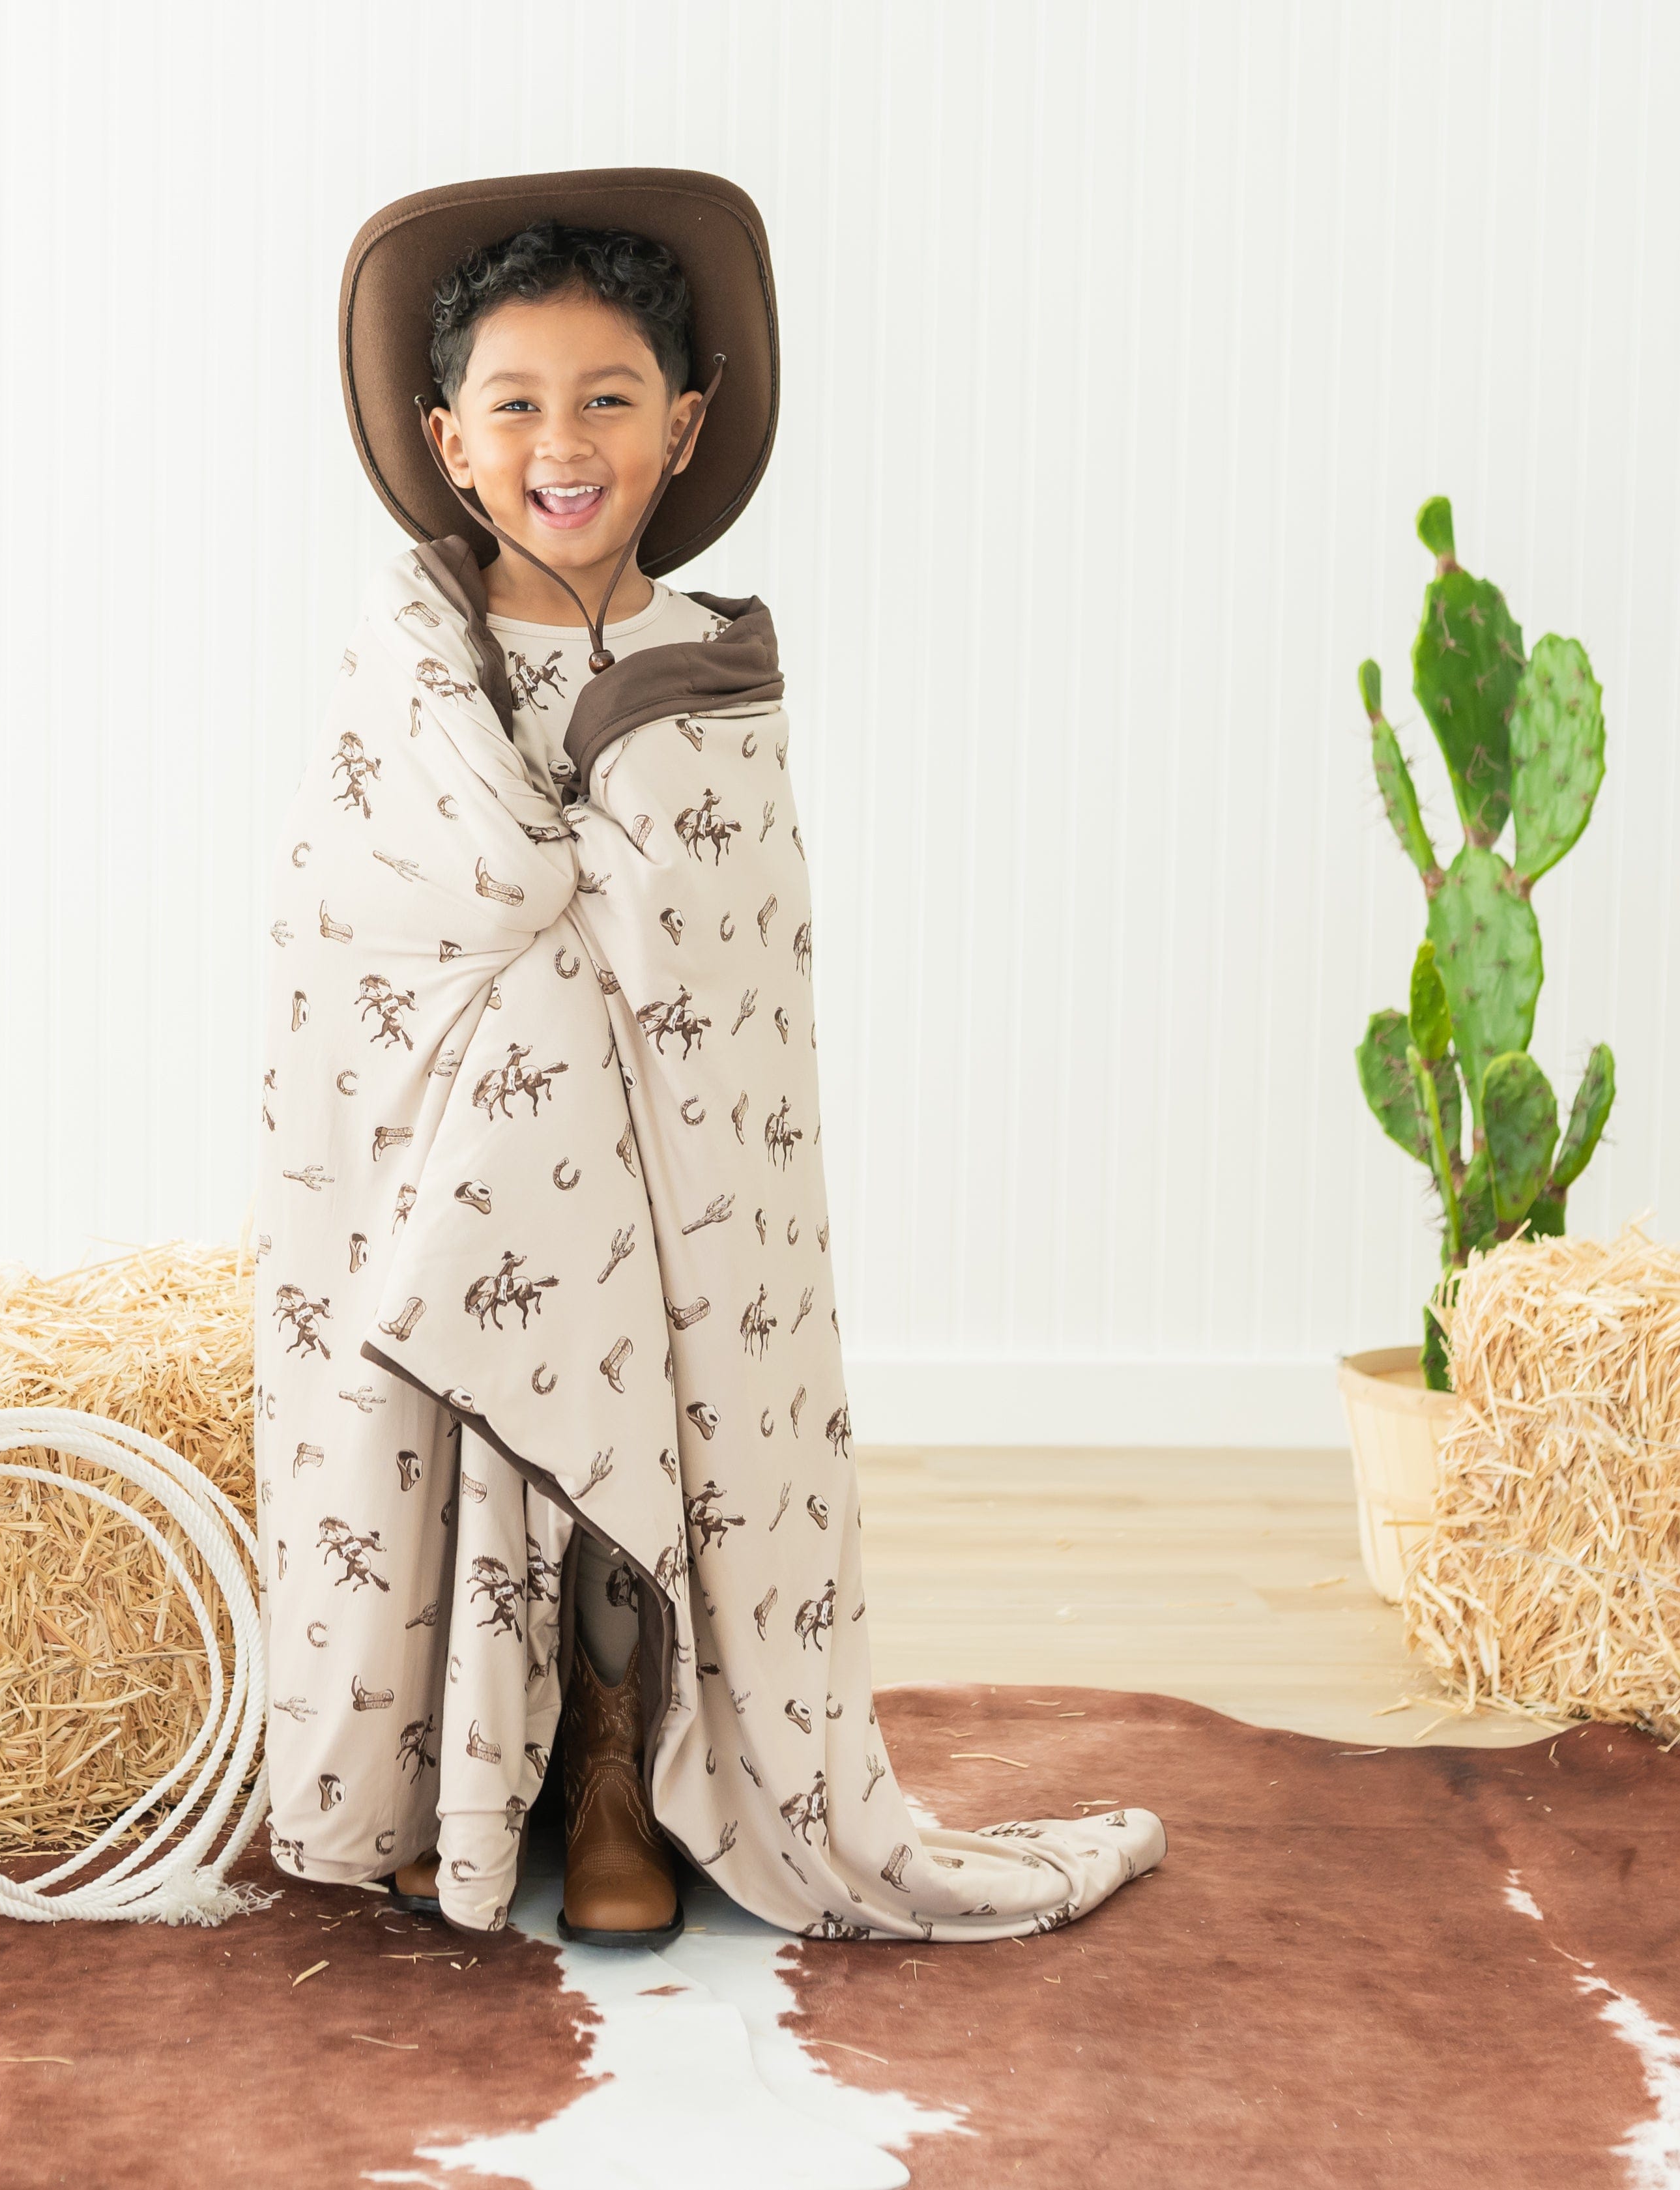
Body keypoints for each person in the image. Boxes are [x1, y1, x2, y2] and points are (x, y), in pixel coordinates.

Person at [253, 167, 1166, 1947]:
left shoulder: (713, 675)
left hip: (655, 1199)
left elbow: (721, 975)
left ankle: (615, 1755)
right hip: (461, 1183)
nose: (561, 443)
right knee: (498, 1261)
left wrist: (585, 990)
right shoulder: (407, 667)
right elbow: (345, 921)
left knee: (632, 1344)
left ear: (684, 423)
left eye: (606, 398)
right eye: (514, 405)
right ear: (447, 440)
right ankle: (455, 1758)